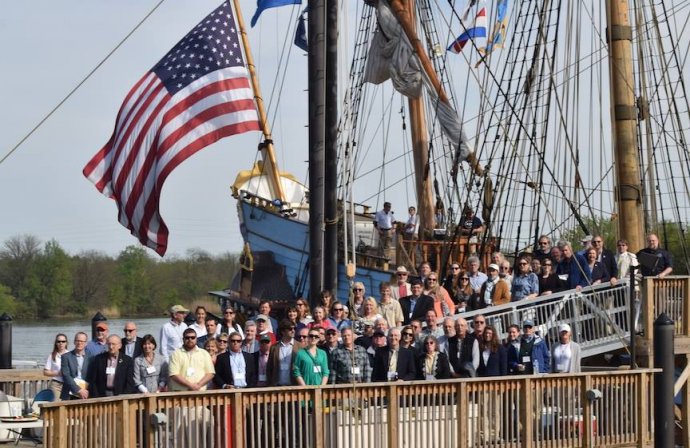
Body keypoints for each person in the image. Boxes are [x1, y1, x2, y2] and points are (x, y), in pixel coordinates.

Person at [266, 319, 300, 387]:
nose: (293, 331)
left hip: (295, 387)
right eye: (290, 329)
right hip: (277, 387)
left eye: (294, 328)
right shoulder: (274, 347)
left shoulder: (300, 347)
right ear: (283, 331)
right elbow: (269, 368)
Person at [61, 332, 91, 400]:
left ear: (86, 343)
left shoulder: (91, 358)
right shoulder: (65, 357)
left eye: (82, 341)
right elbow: (66, 375)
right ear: (74, 342)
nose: (79, 343)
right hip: (69, 393)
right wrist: (78, 390)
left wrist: (86, 390)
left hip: (87, 393)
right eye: (77, 341)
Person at [44, 333, 69, 400]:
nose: (61, 343)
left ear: (66, 343)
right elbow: (45, 372)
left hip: (67, 384)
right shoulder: (52, 355)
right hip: (56, 384)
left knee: (66, 405)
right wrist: (58, 373)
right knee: (56, 405)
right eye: (59, 341)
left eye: (63, 341)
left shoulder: (70, 355)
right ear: (56, 343)